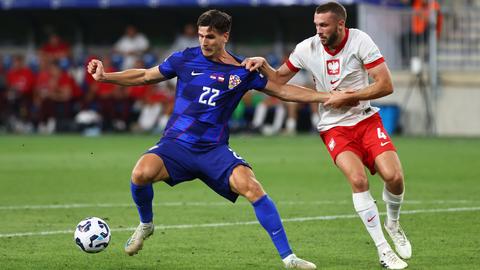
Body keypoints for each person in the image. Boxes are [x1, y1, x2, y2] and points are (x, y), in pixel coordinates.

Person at [87, 9, 332, 269]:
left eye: (211, 37)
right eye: (202, 35)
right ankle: (146, 224)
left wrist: (325, 96)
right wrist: (106, 77)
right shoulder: (184, 59)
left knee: (253, 188)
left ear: (225, 36)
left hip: (213, 150)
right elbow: (146, 75)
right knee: (140, 174)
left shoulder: (242, 70)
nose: (204, 42)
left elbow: (283, 91)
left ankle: (289, 259)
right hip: (176, 145)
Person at [243, 2, 411, 269]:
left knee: (395, 177)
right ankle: (383, 251)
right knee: (358, 180)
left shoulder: (360, 40)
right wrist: (264, 65)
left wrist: (351, 96)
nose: (319, 30)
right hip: (334, 127)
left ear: (340, 25)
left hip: (366, 119)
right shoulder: (306, 48)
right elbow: (278, 80)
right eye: (316, 25)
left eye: (324, 25)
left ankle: (393, 222)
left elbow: (385, 84)